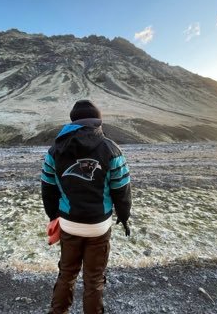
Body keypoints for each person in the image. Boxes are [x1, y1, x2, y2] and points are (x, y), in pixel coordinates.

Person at [41, 99, 132, 314]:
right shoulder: (111, 149)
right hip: (99, 226)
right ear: (96, 122)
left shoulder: (55, 150)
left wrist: (53, 215)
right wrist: (124, 215)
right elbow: (122, 188)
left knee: (67, 273)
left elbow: (48, 188)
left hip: (69, 223)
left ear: (73, 121)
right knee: (94, 278)